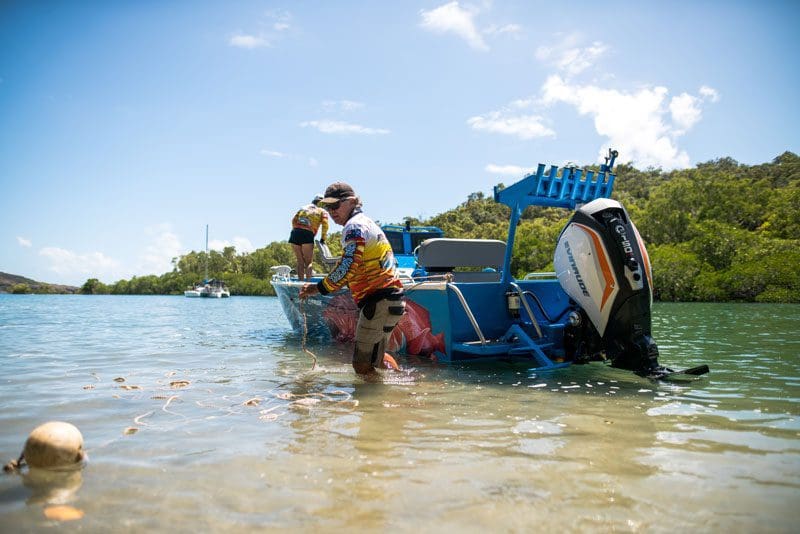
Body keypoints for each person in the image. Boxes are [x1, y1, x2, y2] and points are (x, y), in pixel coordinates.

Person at [299, 182, 405, 375]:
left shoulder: (354, 226)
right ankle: (399, 391)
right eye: (328, 207)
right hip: (392, 300)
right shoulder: (367, 223)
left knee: (362, 365)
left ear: (352, 202)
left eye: (336, 205)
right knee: (376, 359)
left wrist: (317, 288)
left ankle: (373, 404)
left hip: (378, 301)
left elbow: (348, 267)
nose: (331, 211)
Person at [288, 195, 329, 280]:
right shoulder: (322, 211)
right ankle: (307, 284)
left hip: (295, 232)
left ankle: (300, 284)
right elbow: (325, 224)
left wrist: (297, 229)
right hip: (307, 233)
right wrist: (323, 238)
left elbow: (293, 220)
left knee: (300, 261)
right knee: (308, 262)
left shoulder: (303, 208)